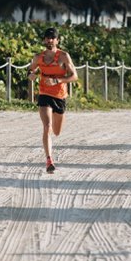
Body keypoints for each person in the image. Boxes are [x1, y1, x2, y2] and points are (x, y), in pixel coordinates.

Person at [28, 27, 78, 173]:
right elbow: (31, 70)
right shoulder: (38, 57)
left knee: (56, 131)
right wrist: (31, 75)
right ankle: (49, 159)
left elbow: (74, 76)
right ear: (44, 40)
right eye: (47, 38)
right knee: (47, 126)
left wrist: (57, 81)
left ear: (57, 40)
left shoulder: (63, 56)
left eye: (52, 38)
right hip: (44, 94)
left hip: (60, 97)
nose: (49, 40)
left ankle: (50, 151)